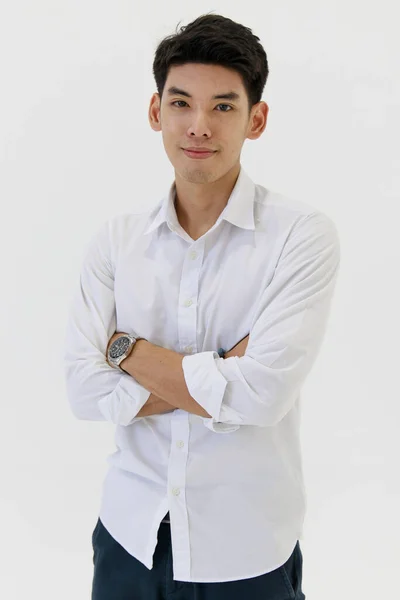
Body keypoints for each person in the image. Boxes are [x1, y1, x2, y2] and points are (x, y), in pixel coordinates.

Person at [64, 12, 340, 600]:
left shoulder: (301, 236)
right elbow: (84, 393)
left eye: (223, 106)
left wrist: (124, 353)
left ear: (255, 119)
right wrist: (220, 367)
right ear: (155, 111)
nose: (198, 126)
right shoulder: (115, 241)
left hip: (246, 548)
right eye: (182, 102)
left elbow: (262, 396)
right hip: (129, 537)